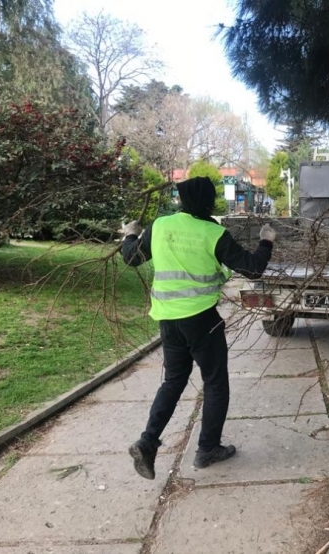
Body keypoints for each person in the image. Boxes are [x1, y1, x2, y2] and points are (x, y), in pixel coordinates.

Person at [120, 176, 276, 479]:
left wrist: (130, 234)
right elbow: (254, 268)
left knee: (173, 381)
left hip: (168, 321)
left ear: (180, 200)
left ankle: (148, 441)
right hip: (202, 320)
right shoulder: (213, 233)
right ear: (209, 201)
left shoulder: (160, 226)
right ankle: (207, 449)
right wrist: (267, 240)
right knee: (215, 383)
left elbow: (131, 258)